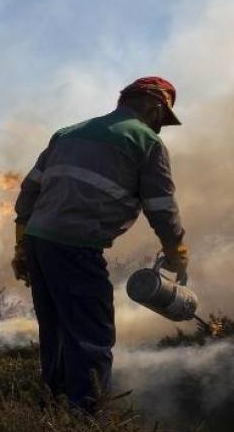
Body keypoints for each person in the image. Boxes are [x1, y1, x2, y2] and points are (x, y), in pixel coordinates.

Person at [13, 76, 188, 414]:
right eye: (162, 118)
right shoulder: (147, 142)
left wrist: (21, 245)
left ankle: (53, 409)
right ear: (155, 106)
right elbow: (162, 207)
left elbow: (29, 190)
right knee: (91, 335)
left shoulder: (68, 132)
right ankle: (84, 425)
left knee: (57, 330)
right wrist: (176, 251)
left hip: (38, 242)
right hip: (75, 247)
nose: (160, 126)